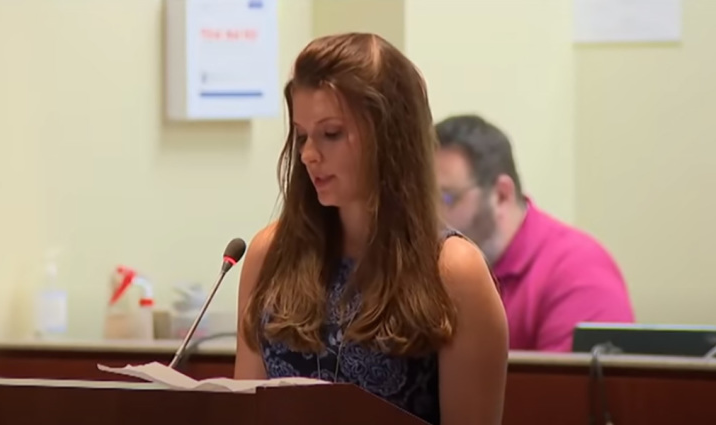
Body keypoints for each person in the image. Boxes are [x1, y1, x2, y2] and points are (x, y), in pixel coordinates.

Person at [233, 33, 508, 425]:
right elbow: (247, 410)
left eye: (331, 133)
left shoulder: (454, 271)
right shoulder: (269, 253)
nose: (309, 155)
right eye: (302, 136)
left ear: (389, 137)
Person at [433, 114, 635, 352]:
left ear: (501, 195)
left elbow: (566, 388)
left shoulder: (577, 272)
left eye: (445, 198)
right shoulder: (432, 268)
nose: (431, 215)